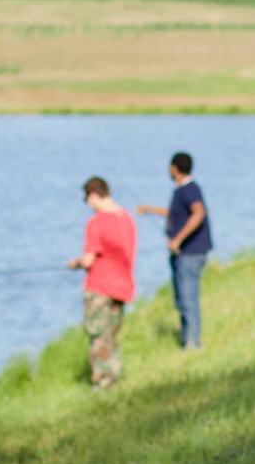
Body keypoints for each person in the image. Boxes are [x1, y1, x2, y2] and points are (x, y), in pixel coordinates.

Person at [136, 153, 213, 349]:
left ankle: (192, 344)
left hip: (190, 253)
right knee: (182, 299)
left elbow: (198, 213)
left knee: (188, 299)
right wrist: (150, 209)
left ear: (175, 168)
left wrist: (178, 239)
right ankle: (186, 339)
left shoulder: (189, 189)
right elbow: (177, 214)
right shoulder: (183, 190)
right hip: (185, 254)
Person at [68, 176, 136, 389]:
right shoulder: (126, 219)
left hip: (99, 287)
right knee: (112, 336)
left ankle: (102, 382)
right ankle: (114, 378)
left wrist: (75, 263)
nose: (88, 204)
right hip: (122, 286)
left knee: (98, 336)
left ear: (94, 195)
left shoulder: (96, 223)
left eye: (86, 199)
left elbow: (89, 260)